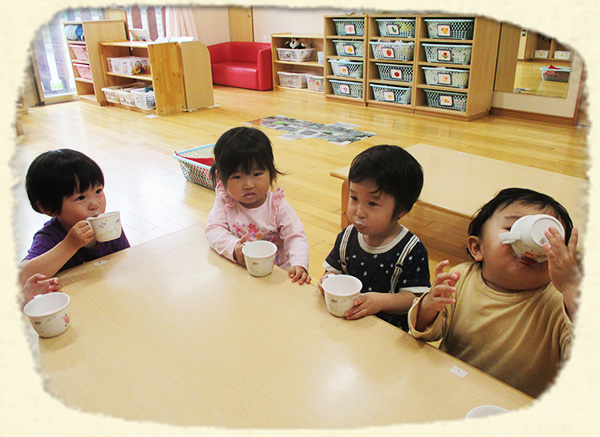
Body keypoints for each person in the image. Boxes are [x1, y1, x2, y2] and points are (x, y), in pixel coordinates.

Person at [408, 187, 581, 398]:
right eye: (513, 227)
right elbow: (426, 331)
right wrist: (429, 306)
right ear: (477, 248)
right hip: (450, 388)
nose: (533, 243)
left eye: (550, 237)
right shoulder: (460, 278)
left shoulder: (557, 301)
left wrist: (571, 289)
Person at [318, 145, 430, 330]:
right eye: (354, 198)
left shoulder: (411, 250)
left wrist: (381, 301)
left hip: (387, 334)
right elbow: (334, 271)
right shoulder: (347, 237)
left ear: (401, 209)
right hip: (346, 325)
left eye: (372, 203)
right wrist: (327, 279)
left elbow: (415, 299)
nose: (359, 212)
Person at [205, 126, 310, 285]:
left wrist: (299, 264)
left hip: (275, 274)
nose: (248, 185)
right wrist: (233, 248)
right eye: (237, 177)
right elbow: (213, 230)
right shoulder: (226, 201)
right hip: (240, 272)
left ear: (271, 171)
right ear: (221, 178)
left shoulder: (277, 206)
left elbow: (295, 237)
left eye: (257, 174)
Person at [18, 149, 130, 285]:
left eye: (98, 191)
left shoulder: (108, 226)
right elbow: (23, 278)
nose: (95, 204)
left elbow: (127, 259)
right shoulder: (51, 236)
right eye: (80, 197)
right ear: (48, 208)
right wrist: (69, 245)